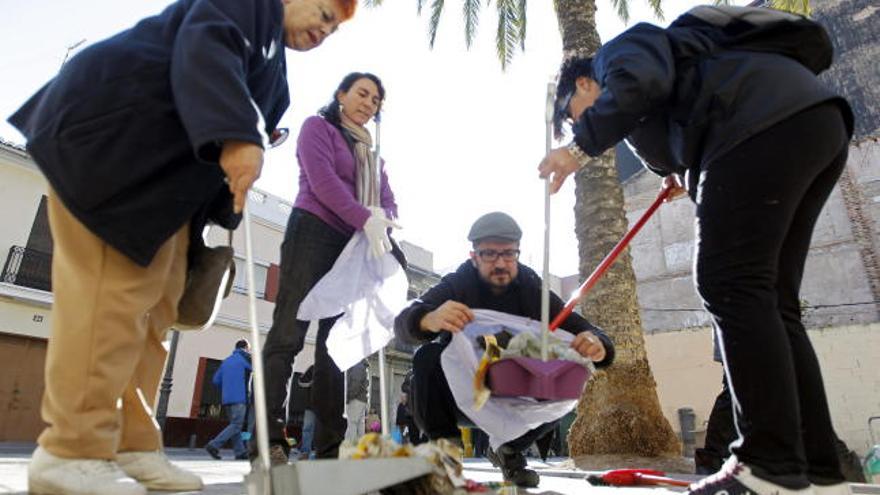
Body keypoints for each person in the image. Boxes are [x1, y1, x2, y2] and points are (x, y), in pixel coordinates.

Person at [8, 0, 356, 493]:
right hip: (112, 156)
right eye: (323, 12)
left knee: (157, 314)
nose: (325, 30)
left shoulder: (276, 69)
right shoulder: (247, 6)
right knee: (112, 302)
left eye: (335, 28)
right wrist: (238, 132)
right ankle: (71, 451)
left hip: (168, 197)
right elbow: (207, 45)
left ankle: (134, 444)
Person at [538, 6, 853, 495]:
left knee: (730, 284)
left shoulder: (618, 54)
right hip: (816, 121)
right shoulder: (672, 79)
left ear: (582, 86)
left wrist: (578, 148)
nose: (578, 123)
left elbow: (638, 83)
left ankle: (767, 465)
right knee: (775, 302)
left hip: (759, 123)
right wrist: (682, 173)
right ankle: (817, 468)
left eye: (571, 116)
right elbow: (669, 147)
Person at [394, 212, 615, 487]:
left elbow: (586, 328)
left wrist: (598, 345)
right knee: (426, 357)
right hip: (458, 396)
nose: (500, 263)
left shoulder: (531, 288)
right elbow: (404, 319)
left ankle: (509, 450)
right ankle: (444, 455)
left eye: (509, 254)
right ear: (474, 256)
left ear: (518, 254)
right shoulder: (459, 282)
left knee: (567, 375)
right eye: (489, 254)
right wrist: (428, 318)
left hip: (513, 398)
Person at [259, 71, 400, 464]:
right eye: (362, 93)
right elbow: (323, 182)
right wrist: (364, 217)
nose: (368, 103)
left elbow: (389, 202)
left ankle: (326, 448)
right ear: (341, 95)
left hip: (351, 251)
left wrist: (382, 222)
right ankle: (268, 440)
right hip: (312, 234)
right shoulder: (317, 128)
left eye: (375, 100)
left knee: (334, 348)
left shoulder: (373, 157)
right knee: (288, 334)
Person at [205, 339, 253, 461]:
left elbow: (216, 380)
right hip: (240, 398)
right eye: (249, 348)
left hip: (227, 399)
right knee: (237, 425)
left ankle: (240, 452)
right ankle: (214, 445)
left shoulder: (226, 361)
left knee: (234, 426)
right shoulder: (246, 358)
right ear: (246, 348)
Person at [344, 359, 370, 443]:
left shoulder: (357, 366)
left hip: (356, 399)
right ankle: (359, 449)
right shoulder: (361, 366)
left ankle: (350, 450)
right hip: (360, 400)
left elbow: (355, 384)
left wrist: (348, 397)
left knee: (352, 425)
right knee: (359, 426)